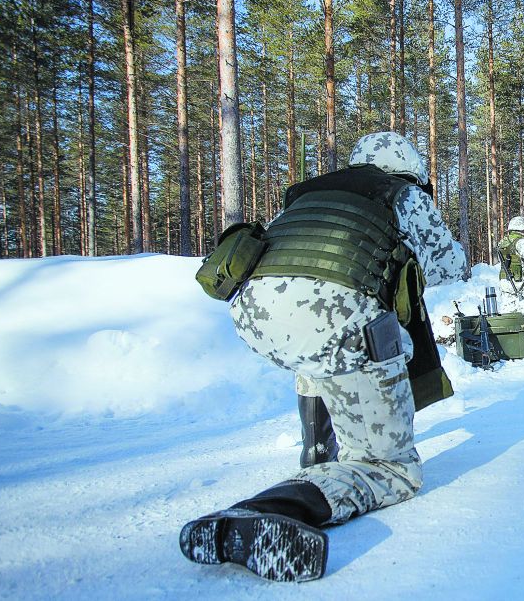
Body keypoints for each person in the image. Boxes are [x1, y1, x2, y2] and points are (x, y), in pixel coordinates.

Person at [179, 131, 467, 582]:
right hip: (339, 321)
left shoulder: (308, 193)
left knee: (320, 340)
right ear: (408, 168)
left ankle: (318, 451)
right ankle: (270, 509)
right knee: (390, 468)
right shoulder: (403, 194)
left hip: (255, 315)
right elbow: (452, 265)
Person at [496, 216, 524, 331]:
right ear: (523, 229)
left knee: (508, 310)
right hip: (522, 281)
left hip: (506, 281)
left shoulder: (503, 242)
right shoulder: (523, 243)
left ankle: (509, 335)